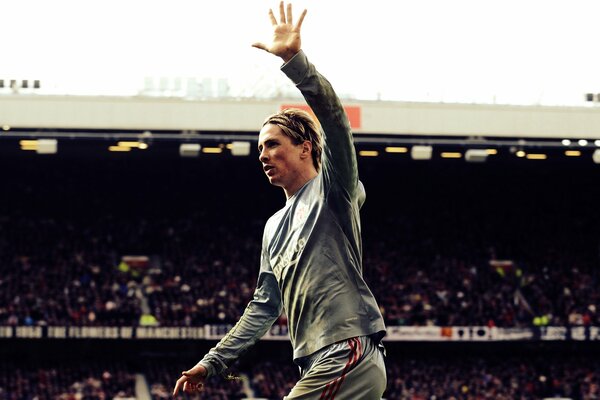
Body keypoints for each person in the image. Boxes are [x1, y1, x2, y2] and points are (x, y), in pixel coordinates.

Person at [173, 2, 387, 398]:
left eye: (273, 144)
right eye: (259, 149)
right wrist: (213, 361)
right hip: (316, 358)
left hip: (347, 350)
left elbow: (337, 123)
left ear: (305, 148)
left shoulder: (333, 191)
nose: (263, 154)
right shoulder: (273, 228)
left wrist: (296, 62)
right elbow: (263, 307)